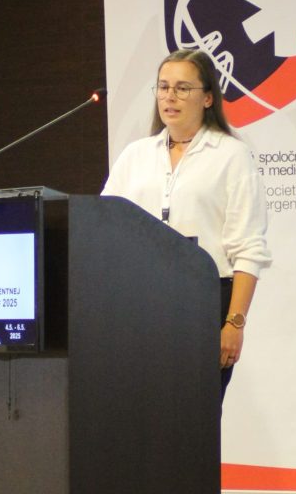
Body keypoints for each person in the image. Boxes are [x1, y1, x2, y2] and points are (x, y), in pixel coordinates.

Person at [101, 48, 271, 397]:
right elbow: (103, 225)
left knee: (194, 415)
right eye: (163, 87)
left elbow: (249, 249)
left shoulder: (231, 155)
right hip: (139, 302)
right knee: (138, 411)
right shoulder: (135, 155)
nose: (170, 96)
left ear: (208, 98)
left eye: (182, 88)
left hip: (204, 302)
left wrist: (234, 323)